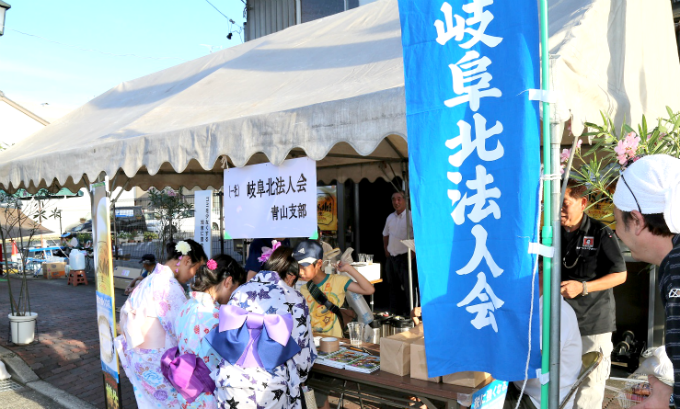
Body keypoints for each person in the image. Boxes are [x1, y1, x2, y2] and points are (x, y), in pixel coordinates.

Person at [610, 154, 680, 408]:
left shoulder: (676, 268)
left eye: (617, 221)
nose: (616, 232)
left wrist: (669, 400)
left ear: (637, 221)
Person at [207, 245, 315, 409]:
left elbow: (226, 336)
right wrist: (299, 377)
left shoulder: (240, 291)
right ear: (291, 276)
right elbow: (302, 353)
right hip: (270, 385)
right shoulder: (294, 298)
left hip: (229, 381)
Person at [114, 239, 207, 409]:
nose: (194, 275)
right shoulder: (168, 286)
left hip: (140, 356)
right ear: (186, 261)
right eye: (196, 268)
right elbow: (182, 330)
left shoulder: (150, 280)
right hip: (157, 360)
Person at [560, 180, 627, 409]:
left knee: (590, 384)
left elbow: (620, 274)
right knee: (560, 380)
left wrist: (583, 287)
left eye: (564, 203)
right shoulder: (549, 232)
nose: (558, 209)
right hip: (560, 322)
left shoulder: (600, 232)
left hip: (593, 322)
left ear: (583, 203)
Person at [167, 254, 247, 408]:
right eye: (236, 290)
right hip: (208, 393)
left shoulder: (187, 305)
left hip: (187, 391)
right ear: (228, 281)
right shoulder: (217, 316)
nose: (235, 297)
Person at [504, 258, 582, 409]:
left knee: (478, 400)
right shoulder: (532, 305)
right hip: (524, 389)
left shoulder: (556, 312)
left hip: (541, 400)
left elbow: (536, 360)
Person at [296, 240, 375, 338]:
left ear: (319, 264)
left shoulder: (338, 281)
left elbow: (369, 290)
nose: (300, 272)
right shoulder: (303, 288)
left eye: (304, 268)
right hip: (313, 343)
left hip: (335, 343)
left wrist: (349, 269)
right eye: (298, 267)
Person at [382, 191, 418, 317]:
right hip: (392, 257)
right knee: (393, 287)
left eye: (399, 199)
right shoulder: (390, 217)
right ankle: (395, 314)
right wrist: (386, 249)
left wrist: (413, 252)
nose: (396, 202)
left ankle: (410, 315)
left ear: (405, 201)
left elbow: (418, 236)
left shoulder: (411, 216)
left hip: (406, 257)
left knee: (409, 288)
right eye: (394, 199)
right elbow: (385, 234)